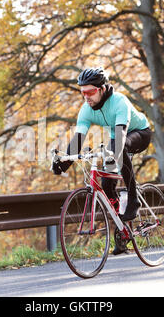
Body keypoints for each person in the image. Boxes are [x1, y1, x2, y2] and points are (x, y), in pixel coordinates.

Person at [52, 67, 152, 254]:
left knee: (120, 150)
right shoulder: (86, 109)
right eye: (83, 93)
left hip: (139, 133)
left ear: (102, 89)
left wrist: (115, 150)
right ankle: (122, 231)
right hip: (116, 139)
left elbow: (122, 134)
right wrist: (63, 162)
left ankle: (133, 199)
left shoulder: (119, 101)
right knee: (107, 184)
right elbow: (78, 140)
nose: (86, 97)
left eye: (90, 92)